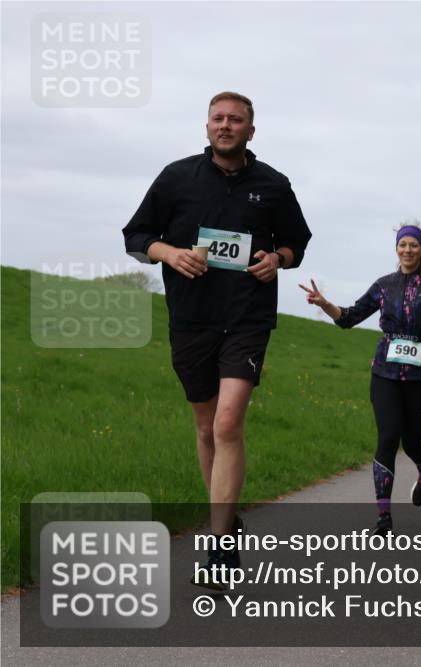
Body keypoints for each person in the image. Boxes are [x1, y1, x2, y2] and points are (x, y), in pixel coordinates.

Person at [122, 91, 313, 587]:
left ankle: (220, 546)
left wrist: (280, 259)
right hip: (191, 319)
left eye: (236, 120)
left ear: (252, 130)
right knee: (206, 429)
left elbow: (298, 242)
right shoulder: (177, 177)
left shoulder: (273, 184)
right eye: (218, 119)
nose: (226, 126)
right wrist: (168, 253)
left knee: (229, 424)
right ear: (207, 127)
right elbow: (136, 236)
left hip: (247, 317)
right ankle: (227, 521)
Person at [300, 221, 421, 535]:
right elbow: (351, 317)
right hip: (385, 371)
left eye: (414, 245)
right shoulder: (384, 284)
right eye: (403, 244)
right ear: (396, 248)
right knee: (387, 438)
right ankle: (383, 517)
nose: (408, 250)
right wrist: (325, 303)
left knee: (411, 444)